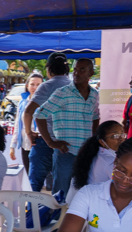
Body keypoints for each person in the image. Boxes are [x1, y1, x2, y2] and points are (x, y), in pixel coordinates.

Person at [33, 58, 100, 202]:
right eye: (75, 69)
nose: (77, 73)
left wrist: (94, 140)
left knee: (84, 193)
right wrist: (51, 142)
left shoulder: (94, 94)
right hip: (66, 152)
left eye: (82, 69)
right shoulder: (62, 92)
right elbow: (39, 114)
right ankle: (58, 223)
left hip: (86, 153)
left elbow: (95, 117)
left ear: (91, 73)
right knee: (60, 195)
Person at [23, 53, 72, 194]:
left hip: (45, 141)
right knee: (62, 187)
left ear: (48, 68)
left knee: (35, 186)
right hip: (68, 144)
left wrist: (29, 133)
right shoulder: (75, 86)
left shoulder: (46, 86)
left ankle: (34, 214)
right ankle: (58, 215)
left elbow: (28, 112)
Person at [70, 120, 126, 198]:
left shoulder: (96, 153)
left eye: (122, 134)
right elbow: (124, 186)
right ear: (102, 142)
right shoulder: (110, 161)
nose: (121, 139)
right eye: (114, 136)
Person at [9, 73, 43, 173]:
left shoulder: (46, 102)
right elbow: (17, 124)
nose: (35, 87)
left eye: (38, 85)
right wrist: (12, 146)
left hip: (40, 144)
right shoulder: (22, 102)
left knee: (38, 177)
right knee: (28, 175)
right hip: (25, 144)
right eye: (32, 84)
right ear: (27, 85)